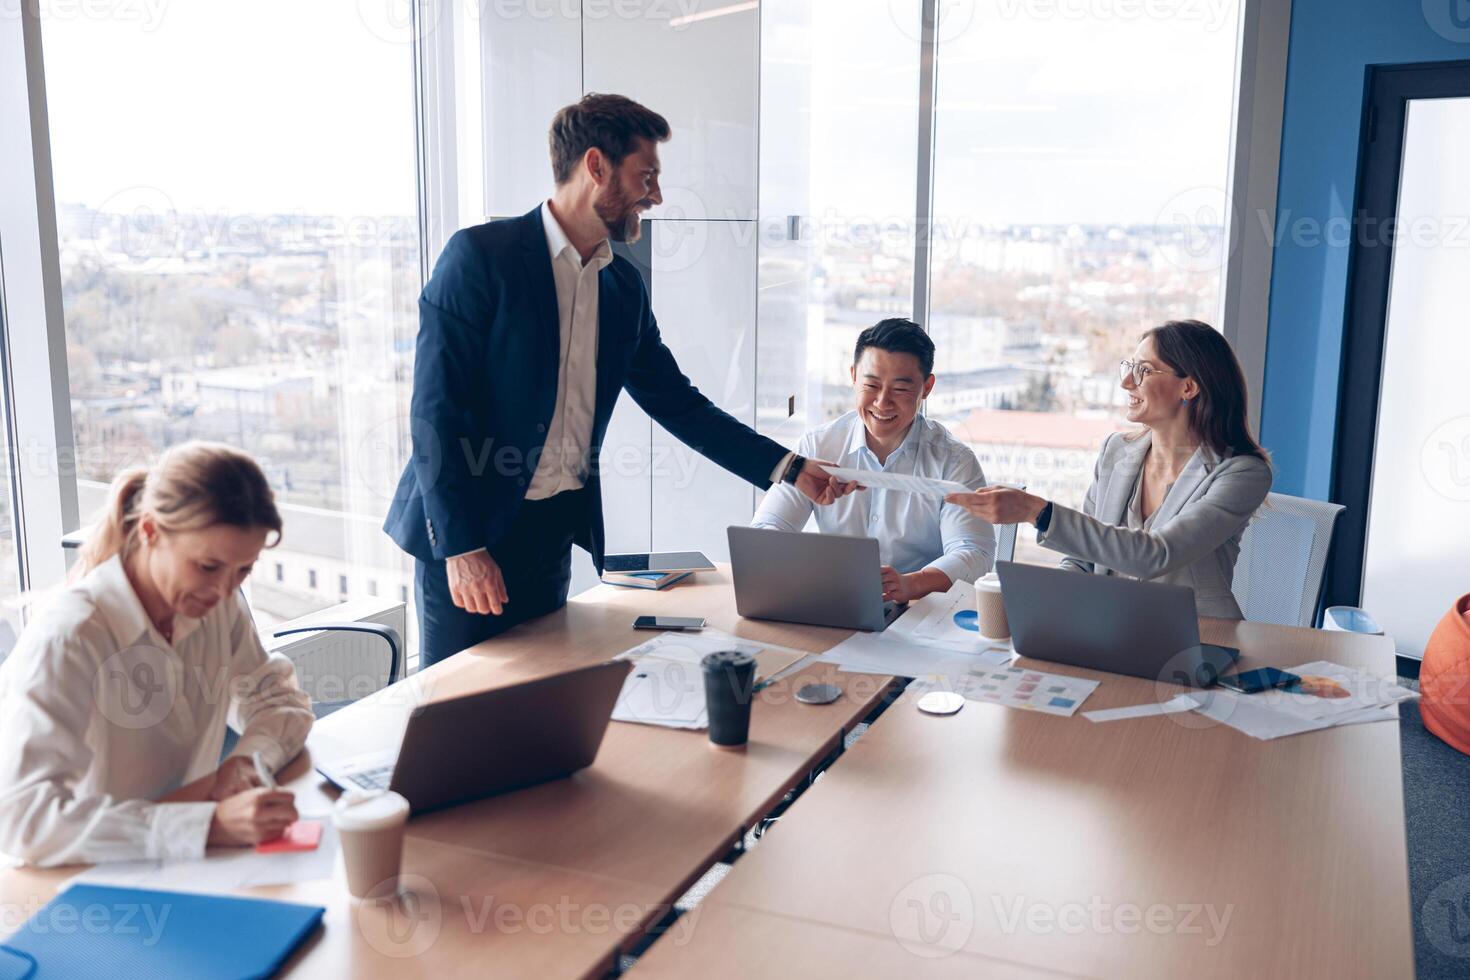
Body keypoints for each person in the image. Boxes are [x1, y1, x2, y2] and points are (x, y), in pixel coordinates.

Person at [384, 93, 857, 667]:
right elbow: (437, 412)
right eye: (647, 175)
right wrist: (462, 547)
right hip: (469, 534)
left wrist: (789, 468)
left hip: (550, 535)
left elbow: (677, 402)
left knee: (537, 702)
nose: (656, 195)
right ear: (596, 167)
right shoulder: (481, 258)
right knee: (455, 711)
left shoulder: (622, 288)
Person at [0, 442, 312, 867]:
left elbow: (279, 703)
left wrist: (243, 763)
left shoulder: (219, 604)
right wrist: (208, 826)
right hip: (85, 881)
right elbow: (23, 819)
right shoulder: (69, 637)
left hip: (188, 865)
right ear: (150, 531)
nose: (224, 590)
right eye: (207, 566)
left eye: (243, 570)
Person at [944, 320, 1271, 619]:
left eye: (1143, 370)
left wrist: (1036, 511)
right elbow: (1082, 560)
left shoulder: (1242, 473)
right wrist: (1043, 603)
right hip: (1111, 626)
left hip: (1198, 634)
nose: (1127, 382)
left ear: (1189, 387)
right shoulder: (1117, 451)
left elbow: (1156, 555)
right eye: (1129, 368)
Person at [752, 319, 995, 604]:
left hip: (919, 611)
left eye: (901, 389)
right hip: (832, 603)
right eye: (871, 385)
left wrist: (911, 584)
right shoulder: (818, 446)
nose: (882, 402)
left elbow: (975, 555)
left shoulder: (954, 461)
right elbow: (765, 532)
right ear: (854, 376)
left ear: (927, 387)